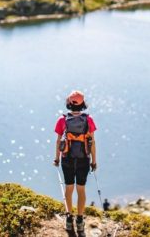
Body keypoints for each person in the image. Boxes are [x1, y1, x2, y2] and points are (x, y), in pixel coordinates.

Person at [53, 90, 97, 233]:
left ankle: (69, 219)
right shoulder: (88, 119)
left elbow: (59, 141)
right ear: (83, 104)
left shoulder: (62, 120)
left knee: (69, 189)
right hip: (84, 159)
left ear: (69, 104)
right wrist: (94, 161)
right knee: (81, 190)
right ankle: (79, 220)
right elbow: (92, 142)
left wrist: (57, 158)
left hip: (67, 159)